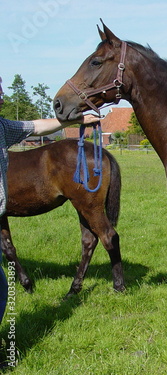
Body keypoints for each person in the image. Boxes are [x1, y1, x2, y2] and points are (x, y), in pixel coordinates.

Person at [0, 76, 100, 323]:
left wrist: (76, 119)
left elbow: (36, 127)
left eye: (1, 91)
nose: (2, 96)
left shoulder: (1, 127)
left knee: (1, 292)